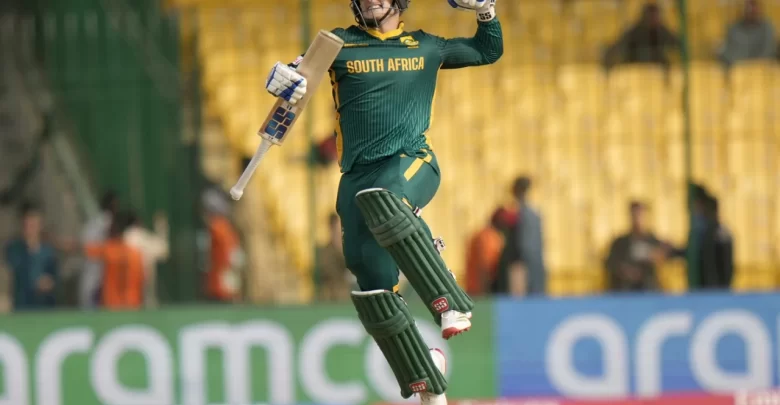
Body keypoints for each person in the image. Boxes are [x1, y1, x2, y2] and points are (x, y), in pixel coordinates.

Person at [265, 0, 502, 402]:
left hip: (412, 161)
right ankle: (426, 376)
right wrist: (286, 80)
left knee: (388, 198)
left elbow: (487, 50)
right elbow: (296, 78)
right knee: (373, 289)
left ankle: (449, 301)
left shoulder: (426, 46)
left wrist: (486, 11)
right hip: (355, 178)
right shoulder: (339, 43)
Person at [494, 176, 546, 296]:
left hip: (519, 266)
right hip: (531, 265)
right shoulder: (534, 213)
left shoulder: (514, 212)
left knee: (520, 301)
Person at [604, 201, 673, 292]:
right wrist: (625, 271)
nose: (637, 219)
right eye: (634, 215)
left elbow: (666, 256)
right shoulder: (620, 243)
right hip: (624, 290)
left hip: (648, 289)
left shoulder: (653, 241)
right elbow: (610, 263)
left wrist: (658, 256)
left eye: (640, 215)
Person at [83, 212, 145, 310]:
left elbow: (86, 250)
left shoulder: (108, 249)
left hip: (112, 304)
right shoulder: (136, 254)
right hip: (133, 303)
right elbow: (142, 279)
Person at [4, 203, 59, 311]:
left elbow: (54, 275)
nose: (31, 228)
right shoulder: (13, 249)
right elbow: (14, 270)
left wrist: (49, 282)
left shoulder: (48, 251)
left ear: (40, 226)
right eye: (28, 224)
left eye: (34, 224)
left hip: (44, 305)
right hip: (21, 304)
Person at [602, 2, 679, 69]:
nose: (654, 19)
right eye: (651, 15)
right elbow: (616, 48)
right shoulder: (634, 31)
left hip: (656, 72)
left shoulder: (662, 31)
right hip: (634, 71)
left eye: (656, 16)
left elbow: (679, 46)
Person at [79, 190, 119, 309]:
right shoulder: (111, 224)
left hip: (95, 277)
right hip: (101, 278)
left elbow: (84, 247)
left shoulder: (91, 224)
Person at [464, 206, 516, 296]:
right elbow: (486, 267)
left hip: (475, 288)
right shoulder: (489, 238)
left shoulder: (484, 235)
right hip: (480, 291)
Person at [123, 210, 169, 308]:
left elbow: (162, 252)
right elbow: (162, 250)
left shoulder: (129, 236)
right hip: (136, 285)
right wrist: (161, 229)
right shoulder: (136, 235)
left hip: (133, 292)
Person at [718, 0, 776, 68]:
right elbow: (726, 52)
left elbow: (768, 52)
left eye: (754, 9)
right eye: (748, 9)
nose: (751, 11)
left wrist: (752, 64)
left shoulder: (767, 28)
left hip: (759, 69)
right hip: (737, 70)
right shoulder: (734, 28)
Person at [315, 213, 353, 302]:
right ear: (332, 229)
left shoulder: (350, 249)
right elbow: (331, 275)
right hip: (334, 300)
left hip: (349, 300)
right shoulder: (326, 253)